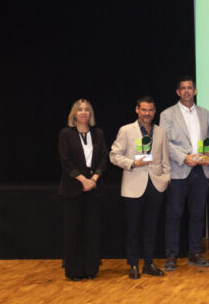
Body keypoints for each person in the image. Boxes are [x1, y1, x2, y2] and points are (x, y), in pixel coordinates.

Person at [109, 96, 171, 279]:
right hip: (133, 185)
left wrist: (165, 179)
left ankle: (149, 263)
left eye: (150, 110)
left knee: (151, 228)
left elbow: (165, 159)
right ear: (137, 110)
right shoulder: (126, 130)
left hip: (156, 185)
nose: (147, 113)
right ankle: (134, 264)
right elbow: (114, 155)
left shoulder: (161, 132)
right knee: (133, 228)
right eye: (143, 110)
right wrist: (132, 163)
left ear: (155, 111)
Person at [159, 77, 209, 271]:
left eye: (190, 88)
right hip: (178, 170)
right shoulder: (167, 114)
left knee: (198, 214)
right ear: (178, 92)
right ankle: (172, 255)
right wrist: (184, 157)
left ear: (195, 91)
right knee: (174, 214)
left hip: (201, 171)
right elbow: (165, 141)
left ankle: (195, 253)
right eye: (183, 88)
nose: (187, 91)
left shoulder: (205, 113)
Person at [58, 99, 108, 281]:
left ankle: (91, 269)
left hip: (94, 188)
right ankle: (74, 271)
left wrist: (93, 179)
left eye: (87, 109)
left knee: (92, 230)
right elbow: (65, 161)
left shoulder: (98, 133)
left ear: (91, 114)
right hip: (73, 189)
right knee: (73, 231)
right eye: (80, 110)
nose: (84, 112)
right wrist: (82, 180)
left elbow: (104, 158)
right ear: (74, 114)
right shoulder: (66, 134)